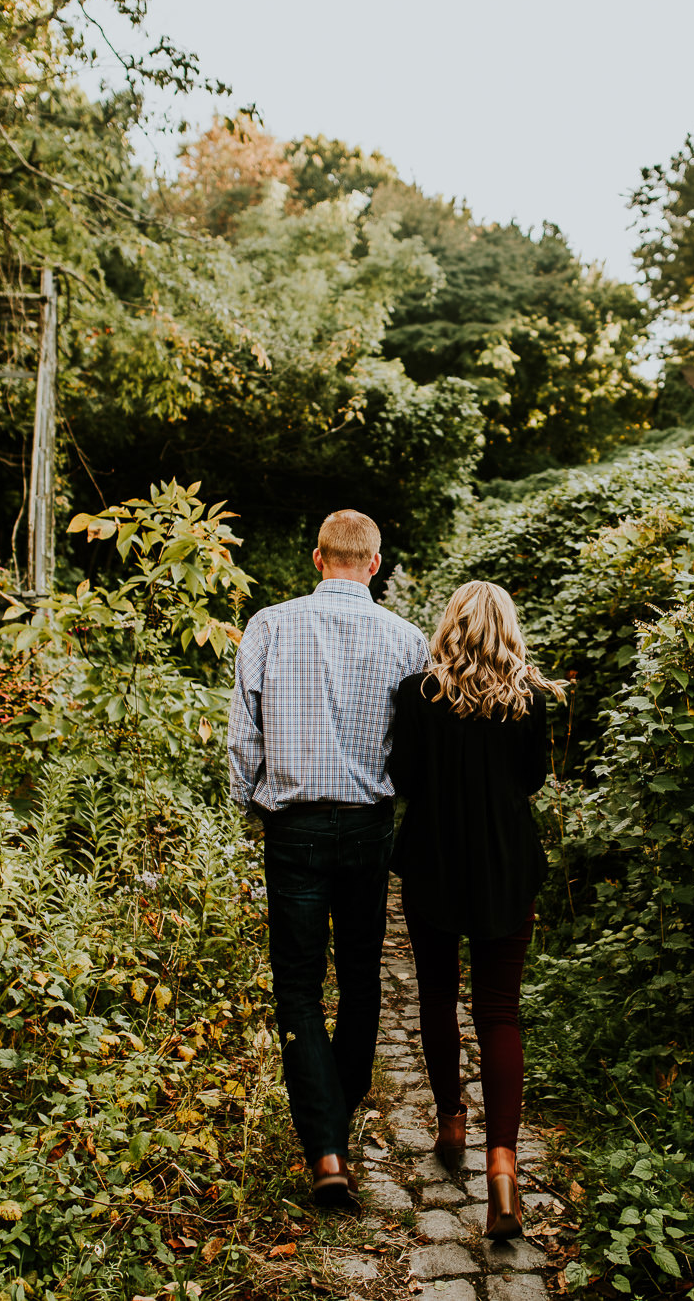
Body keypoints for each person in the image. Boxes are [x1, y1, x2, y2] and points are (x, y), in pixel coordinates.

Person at [229, 509, 428, 1210]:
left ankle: (325, 1147)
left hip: (295, 828)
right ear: (374, 564)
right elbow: (419, 744)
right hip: (368, 826)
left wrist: (252, 803)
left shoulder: (270, 626)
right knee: (361, 975)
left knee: (298, 987)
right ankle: (335, 1122)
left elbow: (241, 736)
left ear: (318, 558)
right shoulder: (408, 640)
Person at [389, 580, 563, 1241]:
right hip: (506, 863)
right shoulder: (529, 699)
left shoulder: (417, 693)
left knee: (436, 996)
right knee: (498, 1010)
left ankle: (451, 1120)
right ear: (508, 627)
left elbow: (403, 781)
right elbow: (531, 780)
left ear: (450, 624)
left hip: (434, 859)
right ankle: (503, 1171)